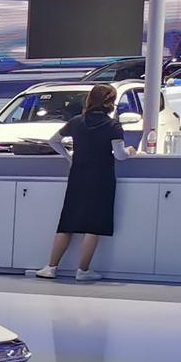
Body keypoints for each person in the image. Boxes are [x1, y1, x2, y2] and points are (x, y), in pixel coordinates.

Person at [36, 82, 128, 283]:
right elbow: (120, 155)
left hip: (78, 174)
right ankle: (83, 270)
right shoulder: (113, 125)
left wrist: (69, 158)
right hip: (102, 177)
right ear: (111, 102)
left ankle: (50, 267)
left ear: (90, 99)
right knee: (94, 224)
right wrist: (131, 151)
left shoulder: (76, 121)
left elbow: (53, 141)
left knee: (67, 221)